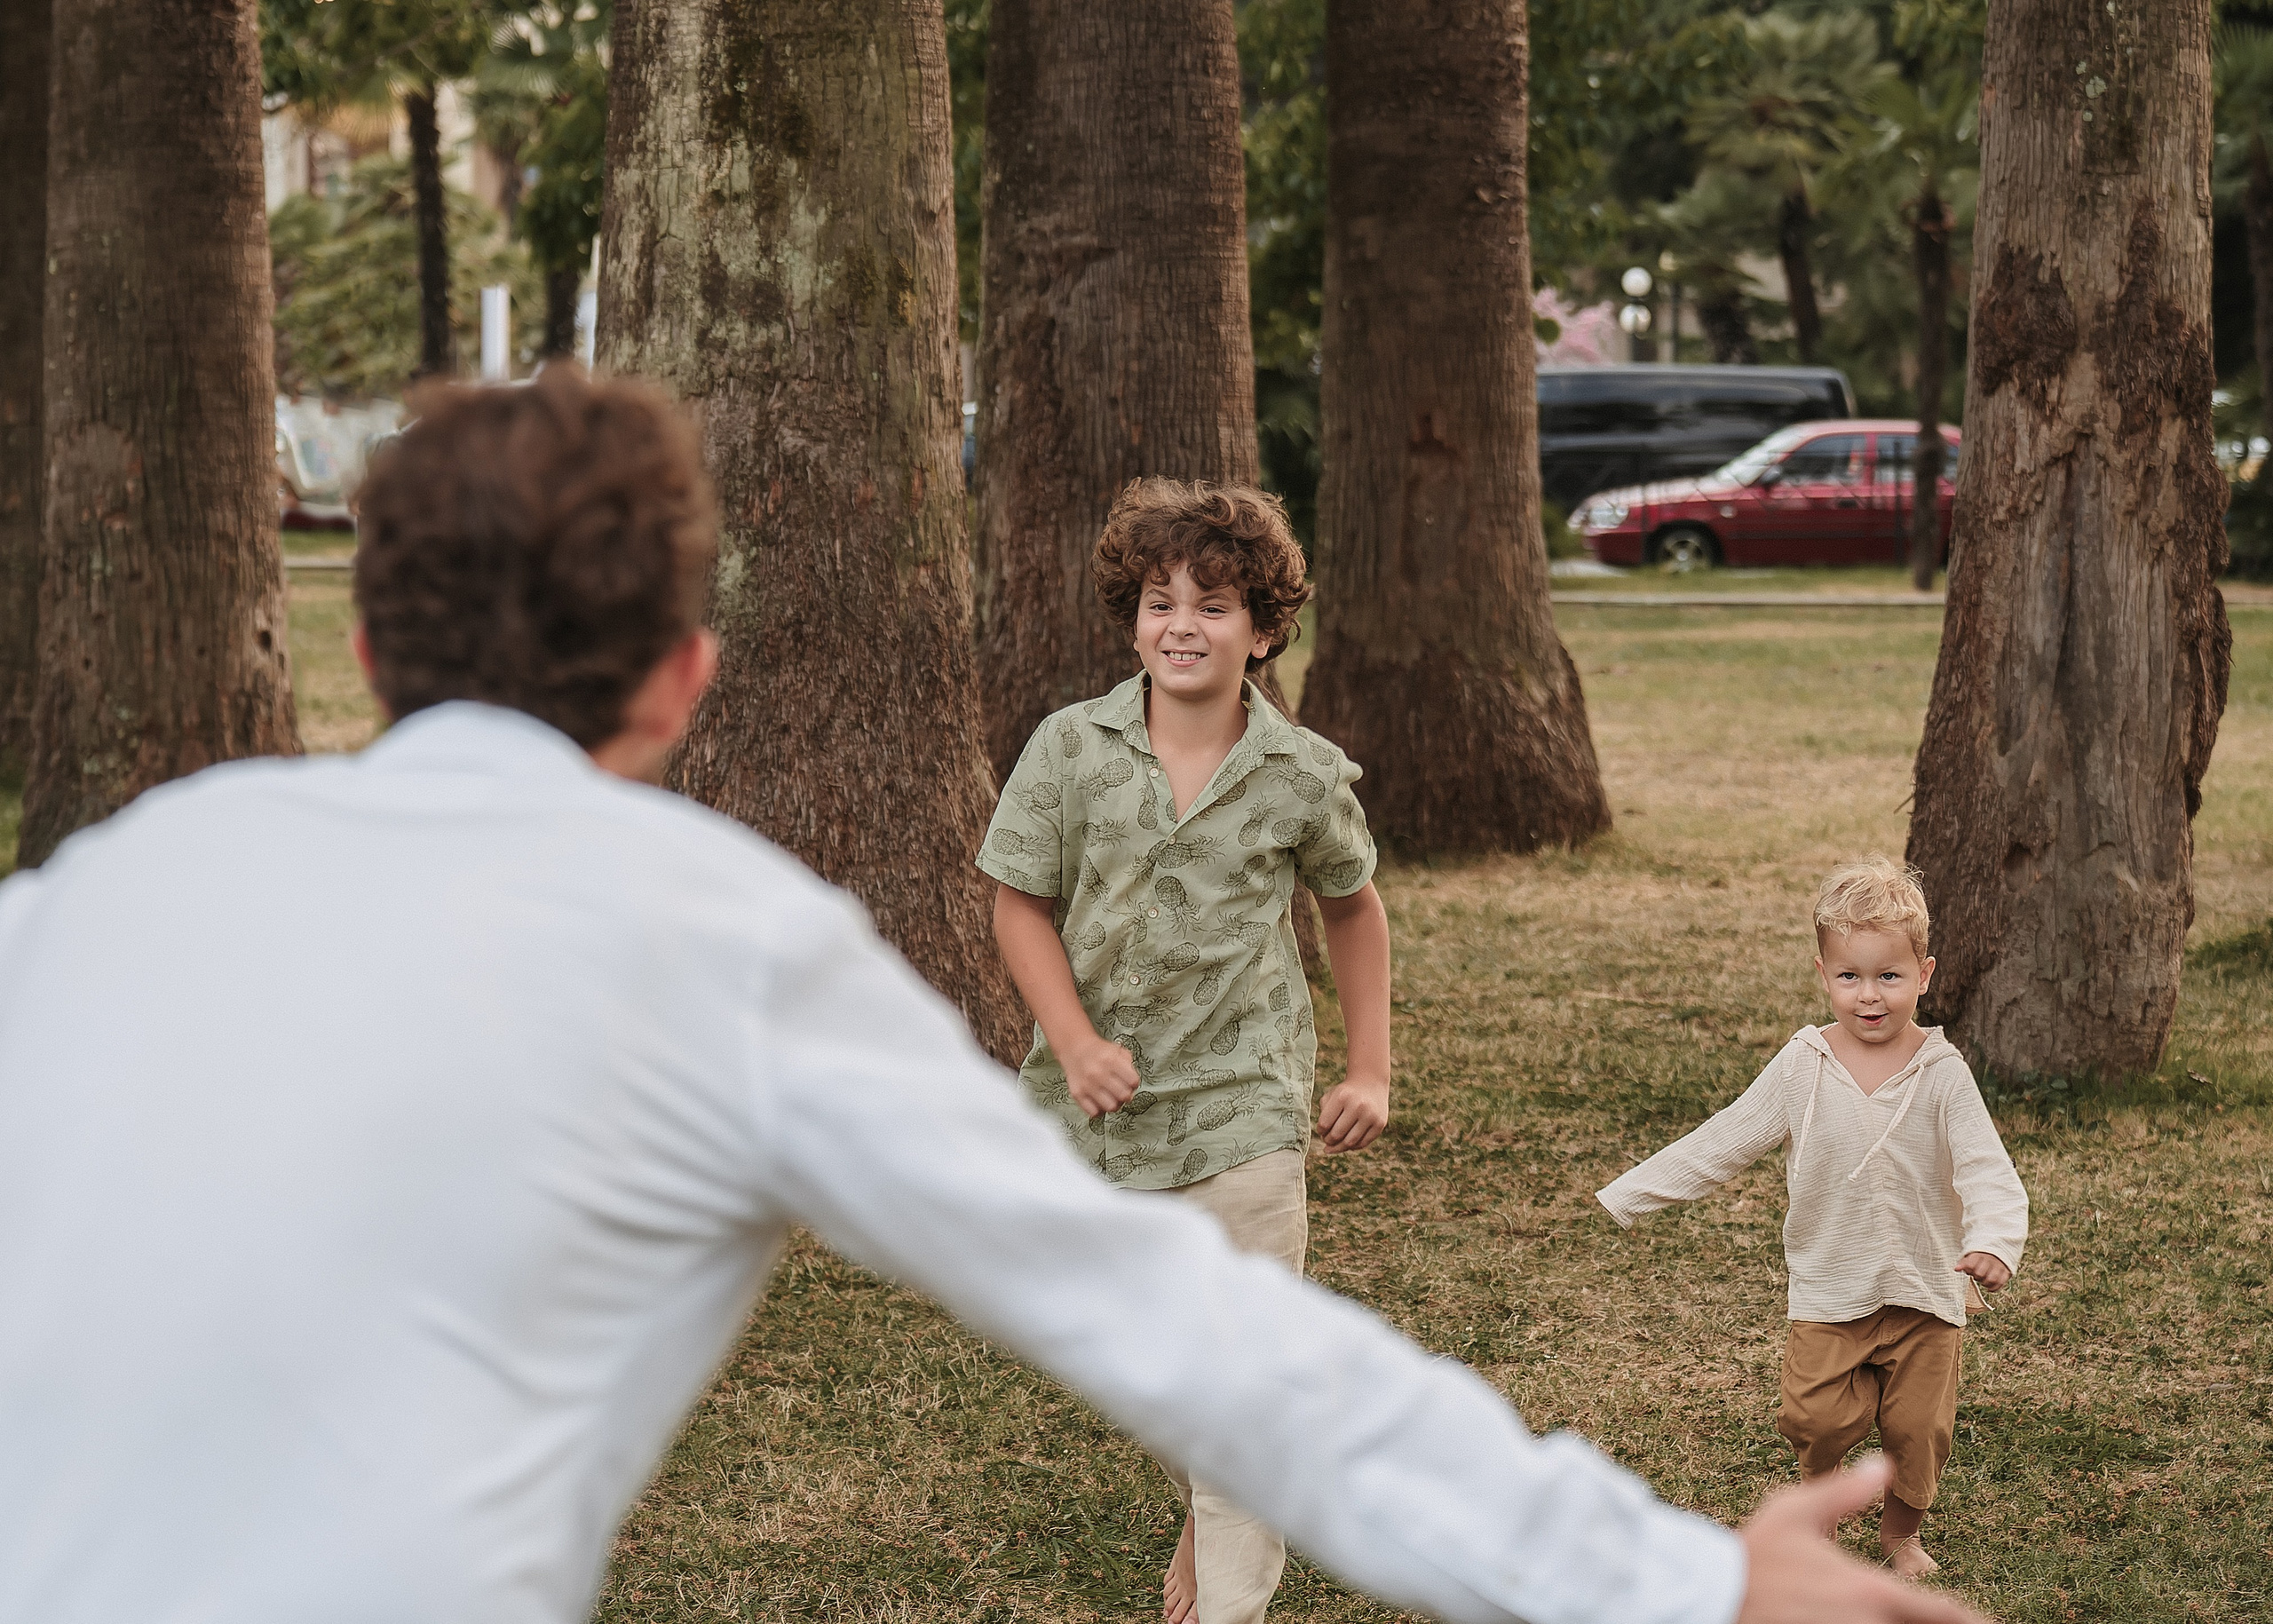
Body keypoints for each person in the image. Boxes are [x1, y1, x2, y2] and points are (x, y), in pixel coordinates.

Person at [0, 368, 1984, 1624]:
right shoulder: (720, 946)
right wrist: (1670, 1578)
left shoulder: (98, 889)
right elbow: (1179, 1326)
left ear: (364, 644)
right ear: (686, 677)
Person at [978, 479, 1390, 1624]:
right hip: (1093, 1117)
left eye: (1213, 605)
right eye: (1160, 601)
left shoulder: (1301, 774)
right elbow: (1019, 903)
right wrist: (1074, 1042)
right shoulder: (1071, 747)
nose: (1183, 625)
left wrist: (1368, 1067)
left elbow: (1353, 908)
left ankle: (1230, 1585)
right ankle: (1213, 1502)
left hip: (1244, 1108)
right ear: (1132, 620)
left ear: (1261, 631)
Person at [1598, 857, 2030, 1579]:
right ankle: (1820, 1512)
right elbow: (1725, 1138)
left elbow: (1987, 1168)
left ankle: (1900, 1536)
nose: (1870, 994)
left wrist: (1993, 1240)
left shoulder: (1942, 1072)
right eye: (1850, 976)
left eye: (1889, 975)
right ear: (1823, 974)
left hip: (1925, 1289)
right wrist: (1632, 1191)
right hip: (1831, 1286)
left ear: (1923, 974)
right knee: (1815, 1417)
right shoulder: (1804, 1064)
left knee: (1919, 1428)